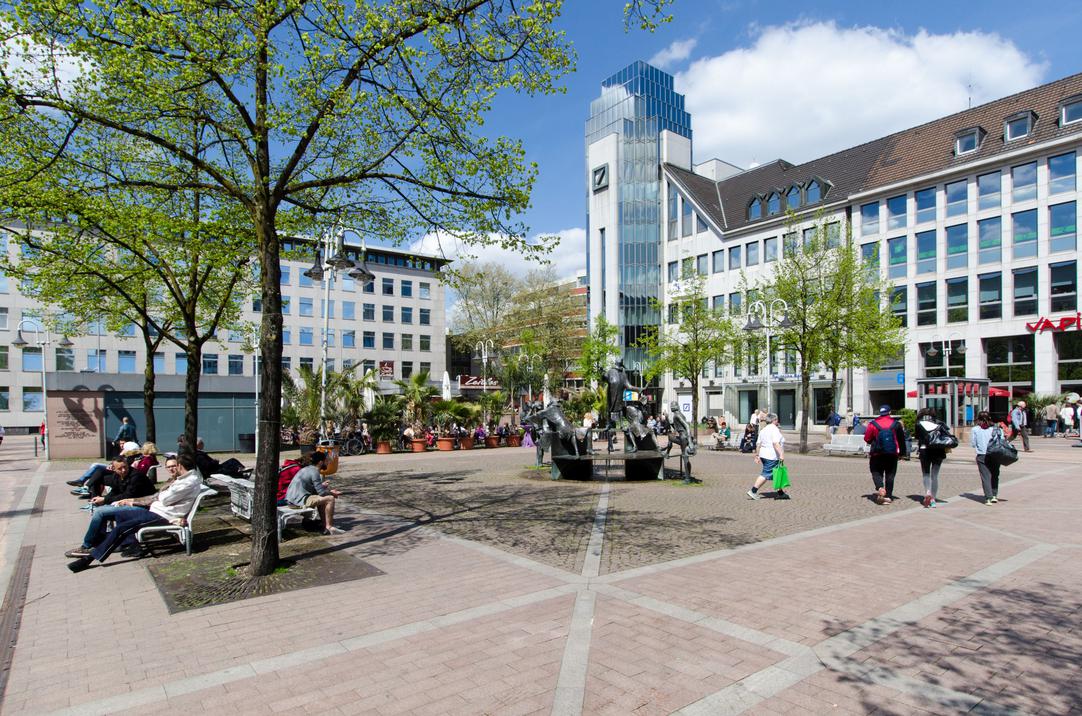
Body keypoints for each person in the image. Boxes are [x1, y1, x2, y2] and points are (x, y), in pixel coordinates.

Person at [66, 452, 204, 571]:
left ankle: (90, 558)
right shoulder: (183, 480)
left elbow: (165, 499)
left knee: (121, 528)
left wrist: (162, 495)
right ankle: (127, 545)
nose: (173, 469)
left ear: (180, 466)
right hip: (155, 510)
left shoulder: (188, 482)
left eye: (175, 466)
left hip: (162, 516)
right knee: (119, 512)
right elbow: (162, 496)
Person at [285, 450, 344, 535]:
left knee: (322, 500)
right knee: (330, 499)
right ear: (320, 462)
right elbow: (321, 493)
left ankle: (325, 526)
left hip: (292, 499)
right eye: (326, 461)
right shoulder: (315, 471)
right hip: (298, 501)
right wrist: (332, 493)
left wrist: (327, 490)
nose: (327, 463)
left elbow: (316, 490)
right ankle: (329, 527)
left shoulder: (307, 469)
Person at [863, 405, 908, 505]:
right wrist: (902, 453)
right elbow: (901, 440)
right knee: (890, 474)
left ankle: (880, 487)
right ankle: (888, 496)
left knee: (875, 471)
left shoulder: (873, 424)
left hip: (876, 453)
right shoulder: (896, 424)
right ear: (890, 412)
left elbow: (867, 438)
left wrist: (874, 441)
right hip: (892, 454)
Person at [746, 412, 787, 500]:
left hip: (764, 455)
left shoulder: (763, 430)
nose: (777, 421)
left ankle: (780, 493)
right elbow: (776, 443)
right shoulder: (774, 429)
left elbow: (758, 444)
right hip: (771, 456)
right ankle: (753, 491)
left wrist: (757, 455)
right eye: (776, 419)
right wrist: (782, 454)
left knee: (776, 473)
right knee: (766, 474)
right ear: (774, 420)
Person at [914, 408, 948, 508]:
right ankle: (933, 498)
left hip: (924, 450)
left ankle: (928, 493)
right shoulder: (940, 423)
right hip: (938, 450)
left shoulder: (918, 424)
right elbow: (945, 435)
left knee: (926, 474)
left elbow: (917, 437)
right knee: (935, 475)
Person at [971, 410, 1002, 505]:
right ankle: (994, 495)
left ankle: (988, 497)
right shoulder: (996, 428)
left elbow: (973, 444)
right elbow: (1002, 440)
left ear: (978, 419)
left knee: (985, 476)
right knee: (995, 475)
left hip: (982, 455)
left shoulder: (975, 429)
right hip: (995, 454)